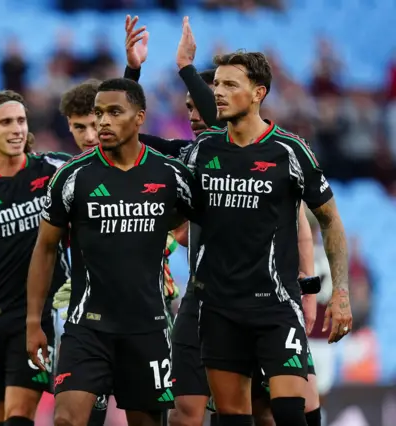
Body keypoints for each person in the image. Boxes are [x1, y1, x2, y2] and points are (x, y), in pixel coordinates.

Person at [128, 16, 325, 426]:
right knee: (199, 409)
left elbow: (302, 228)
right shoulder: (192, 155)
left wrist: (308, 289)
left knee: (285, 407)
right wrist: (134, 71)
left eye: (205, 100)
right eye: (189, 107)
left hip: (270, 298)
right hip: (207, 300)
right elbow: (126, 134)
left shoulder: (267, 153)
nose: (197, 113)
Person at [186, 50, 352, 426]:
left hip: (275, 307)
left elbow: (331, 222)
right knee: (232, 418)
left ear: (259, 92)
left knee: (290, 413)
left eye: (230, 84)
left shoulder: (290, 151)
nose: (218, 92)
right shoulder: (201, 151)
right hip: (218, 308)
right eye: (216, 84)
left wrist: (339, 293)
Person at [27, 78, 198, 426]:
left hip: (147, 327)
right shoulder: (73, 177)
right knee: (66, 420)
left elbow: (194, 224)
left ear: (139, 118)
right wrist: (33, 321)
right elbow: (45, 248)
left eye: (114, 112)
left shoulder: (171, 175)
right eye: (99, 113)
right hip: (86, 327)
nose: (103, 122)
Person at [0, 90, 72, 426]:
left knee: (18, 416)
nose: (17, 129)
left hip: (41, 316)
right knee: (0, 417)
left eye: (22, 121)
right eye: (6, 122)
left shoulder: (53, 172)